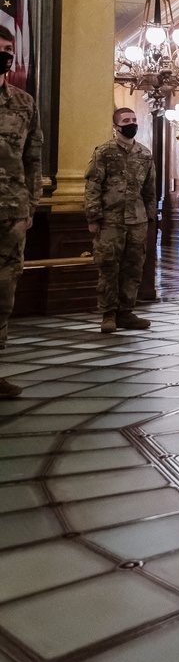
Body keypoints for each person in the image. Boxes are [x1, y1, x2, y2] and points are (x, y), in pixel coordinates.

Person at [84, 107, 156, 335]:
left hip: (137, 220)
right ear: (116, 126)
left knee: (133, 267)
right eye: (126, 120)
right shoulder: (104, 152)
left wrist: (151, 216)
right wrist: (93, 216)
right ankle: (108, 314)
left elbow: (150, 190)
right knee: (108, 267)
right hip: (110, 221)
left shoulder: (145, 154)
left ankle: (126, 311)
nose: (131, 123)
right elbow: (93, 185)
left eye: (134, 120)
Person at [0, 24, 42, 397]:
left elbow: (33, 157)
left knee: (4, 289)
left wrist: (31, 203)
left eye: (8, 50)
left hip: (11, 210)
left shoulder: (23, 102)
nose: (5, 55)